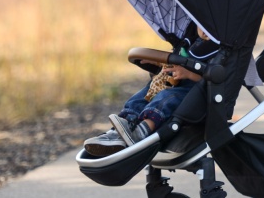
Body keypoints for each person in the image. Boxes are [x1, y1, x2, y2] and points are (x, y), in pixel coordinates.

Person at [83, 25, 210, 157]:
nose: (207, 30)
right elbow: (174, 62)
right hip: (173, 83)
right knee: (141, 96)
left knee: (165, 99)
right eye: (203, 26)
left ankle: (141, 131)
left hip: (195, 92)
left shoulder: (219, 50)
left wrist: (189, 74)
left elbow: (214, 76)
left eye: (212, 29)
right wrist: (158, 63)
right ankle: (120, 131)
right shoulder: (192, 41)